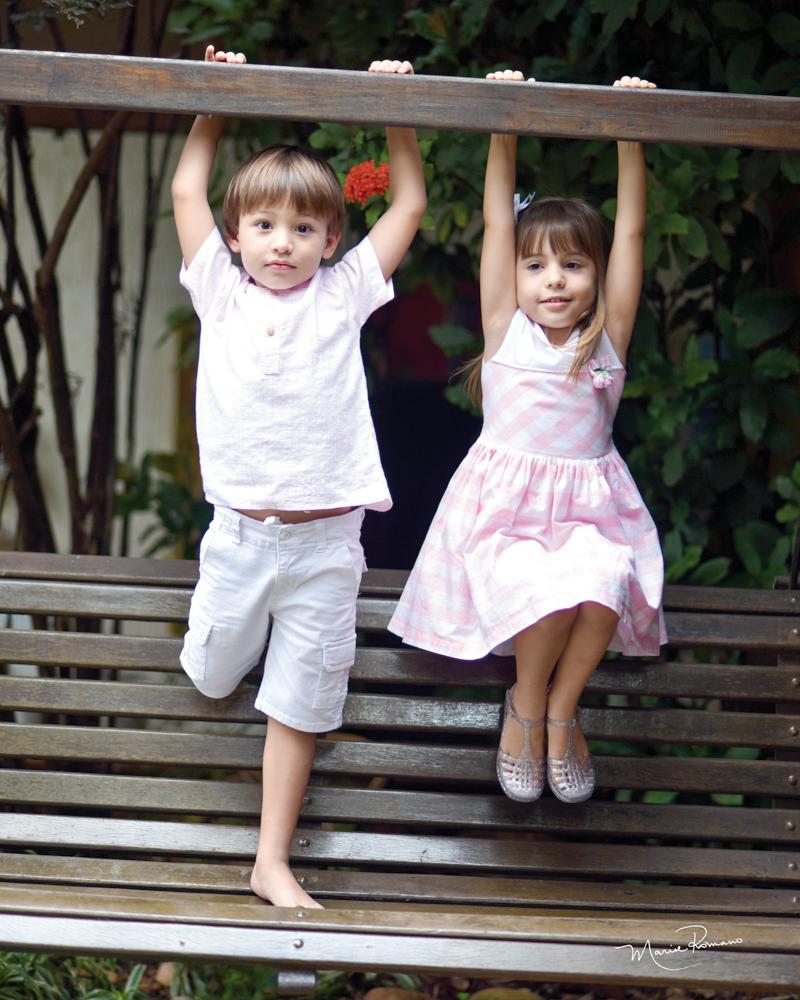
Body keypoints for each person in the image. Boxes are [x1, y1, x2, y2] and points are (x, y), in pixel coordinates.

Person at [172, 47, 426, 907]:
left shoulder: (346, 292)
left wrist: (394, 106)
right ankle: (243, 649)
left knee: (302, 704)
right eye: (266, 227)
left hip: (327, 546)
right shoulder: (220, 290)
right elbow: (184, 193)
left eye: (305, 229)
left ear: (331, 240)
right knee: (212, 673)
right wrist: (213, 98)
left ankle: (270, 859)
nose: (284, 244)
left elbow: (412, 201)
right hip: (241, 539)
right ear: (237, 236)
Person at [389, 71, 665, 806]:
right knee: (547, 593)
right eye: (537, 265)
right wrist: (502, 122)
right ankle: (526, 708)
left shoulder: (607, 341)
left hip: (589, 517)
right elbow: (496, 222)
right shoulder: (506, 331)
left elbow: (632, 231)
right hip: (506, 522)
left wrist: (630, 132)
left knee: (602, 581)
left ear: (597, 277)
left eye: (574, 266)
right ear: (515, 275)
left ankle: (559, 708)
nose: (554, 281)